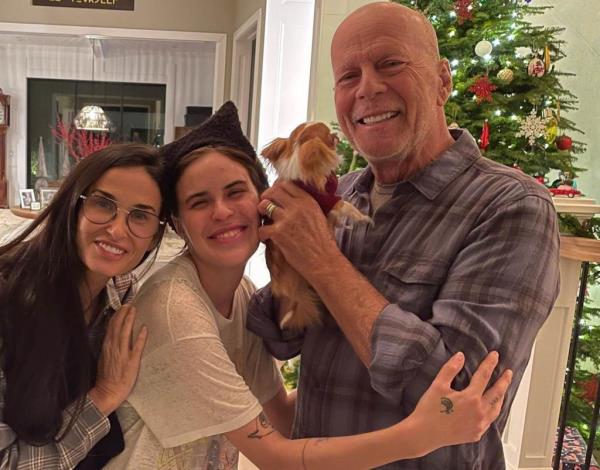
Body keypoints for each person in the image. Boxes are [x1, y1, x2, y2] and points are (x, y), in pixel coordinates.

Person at [106, 101, 511, 470]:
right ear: (177, 222)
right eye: (199, 202)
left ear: (264, 197)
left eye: (235, 192)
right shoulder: (176, 306)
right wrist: (420, 435)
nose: (223, 212)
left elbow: (279, 413)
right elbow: (276, 456)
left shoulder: (240, 293)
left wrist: (374, 386)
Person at [247, 3, 560, 469]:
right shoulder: (342, 195)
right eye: (347, 76)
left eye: (390, 64)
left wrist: (321, 260)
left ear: (442, 81)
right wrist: (235, 250)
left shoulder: (512, 206)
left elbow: (456, 400)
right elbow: (283, 336)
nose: (367, 88)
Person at [0, 144, 166, 468]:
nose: (118, 230)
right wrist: (103, 396)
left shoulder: (121, 297)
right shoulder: (9, 298)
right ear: (73, 205)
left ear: (156, 236)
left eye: (141, 216)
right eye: (104, 204)